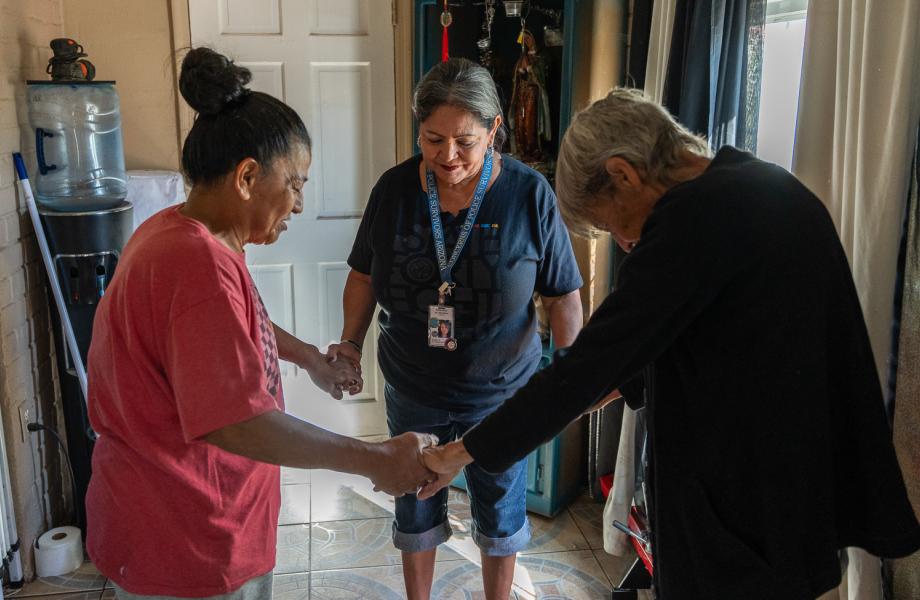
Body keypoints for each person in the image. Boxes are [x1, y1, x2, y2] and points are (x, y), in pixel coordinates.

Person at [418, 88, 920, 599]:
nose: (623, 241)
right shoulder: (766, 186)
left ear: (623, 174)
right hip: (799, 496)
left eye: (609, 222)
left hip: (743, 508)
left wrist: (460, 452)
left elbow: (586, 369)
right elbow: (634, 364)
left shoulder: (693, 223)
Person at [85, 48, 436, 600]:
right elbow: (237, 422)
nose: (299, 204)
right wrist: (373, 460)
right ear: (248, 176)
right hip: (187, 541)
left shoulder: (183, 234)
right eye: (295, 183)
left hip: (192, 522)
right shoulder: (192, 263)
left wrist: (310, 361)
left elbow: (234, 329)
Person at [326, 58, 584, 600]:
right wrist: (350, 342)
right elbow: (364, 273)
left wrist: (568, 379)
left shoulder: (529, 194)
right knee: (414, 501)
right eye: (432, 138)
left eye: (465, 141)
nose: (448, 156)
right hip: (414, 384)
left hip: (501, 391)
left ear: (494, 129)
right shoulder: (395, 189)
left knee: (500, 507)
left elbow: (563, 295)